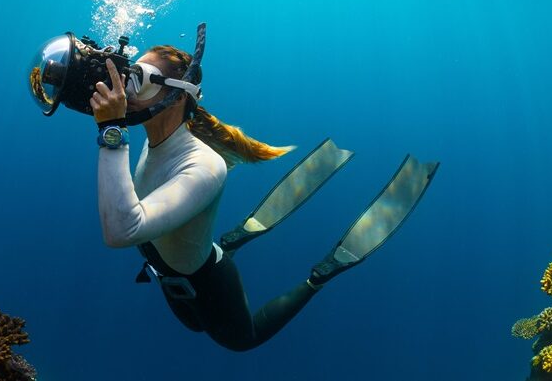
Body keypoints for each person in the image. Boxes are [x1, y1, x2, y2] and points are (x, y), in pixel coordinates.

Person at [89, 45, 437, 351]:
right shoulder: (153, 142)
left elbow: (122, 229)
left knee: (242, 340)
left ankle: (320, 275)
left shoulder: (205, 166)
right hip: (166, 268)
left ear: (178, 96)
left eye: (140, 77)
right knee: (194, 325)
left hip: (206, 280)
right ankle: (230, 240)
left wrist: (111, 131)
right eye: (128, 73)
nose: (125, 88)